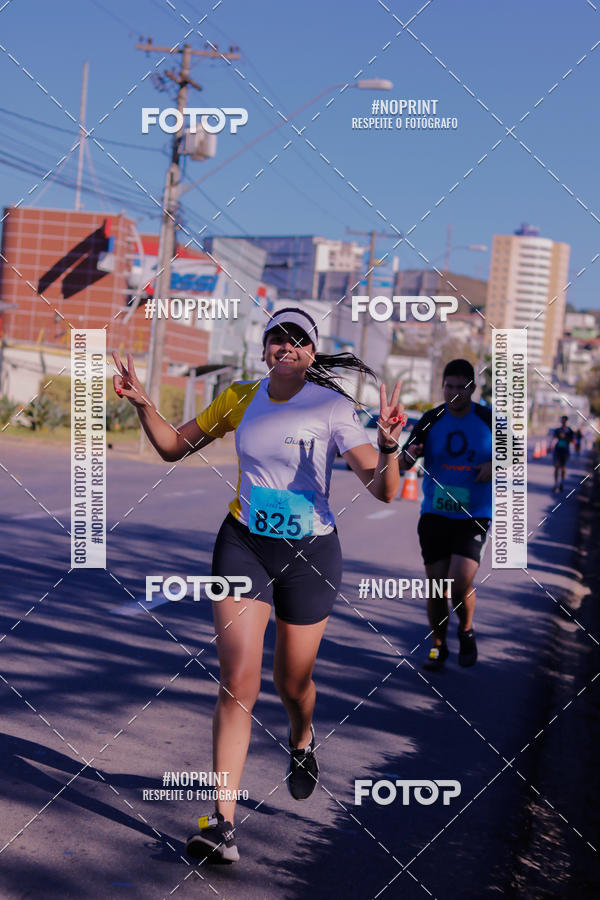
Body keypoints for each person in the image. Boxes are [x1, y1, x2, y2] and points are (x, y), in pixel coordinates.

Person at [112, 306, 406, 864]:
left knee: (291, 682)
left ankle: (302, 736)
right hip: (243, 542)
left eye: (299, 341)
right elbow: (174, 446)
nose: (287, 348)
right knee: (237, 681)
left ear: (312, 353)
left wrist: (389, 445)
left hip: (310, 555)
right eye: (278, 339)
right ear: (264, 347)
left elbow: (385, 490)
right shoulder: (241, 397)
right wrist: (145, 404)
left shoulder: (334, 406)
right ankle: (220, 821)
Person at [397, 359, 492, 671]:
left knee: (460, 582)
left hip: (473, 514)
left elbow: (516, 459)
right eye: (448, 386)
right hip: (435, 514)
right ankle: (438, 646)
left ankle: (466, 629)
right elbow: (403, 462)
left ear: (472, 389)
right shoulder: (431, 418)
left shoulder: (488, 419)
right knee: (437, 585)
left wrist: (494, 466)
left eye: (460, 387)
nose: (453, 393)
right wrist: (406, 455)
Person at [552, 415, 575, 492]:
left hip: (565, 450)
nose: (563, 422)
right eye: (562, 420)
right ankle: (555, 484)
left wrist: (566, 437)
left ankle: (561, 482)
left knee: (563, 468)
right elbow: (554, 438)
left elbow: (573, 441)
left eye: (564, 420)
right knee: (556, 466)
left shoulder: (570, 431)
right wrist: (550, 446)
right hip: (557, 450)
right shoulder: (557, 430)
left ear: (567, 421)